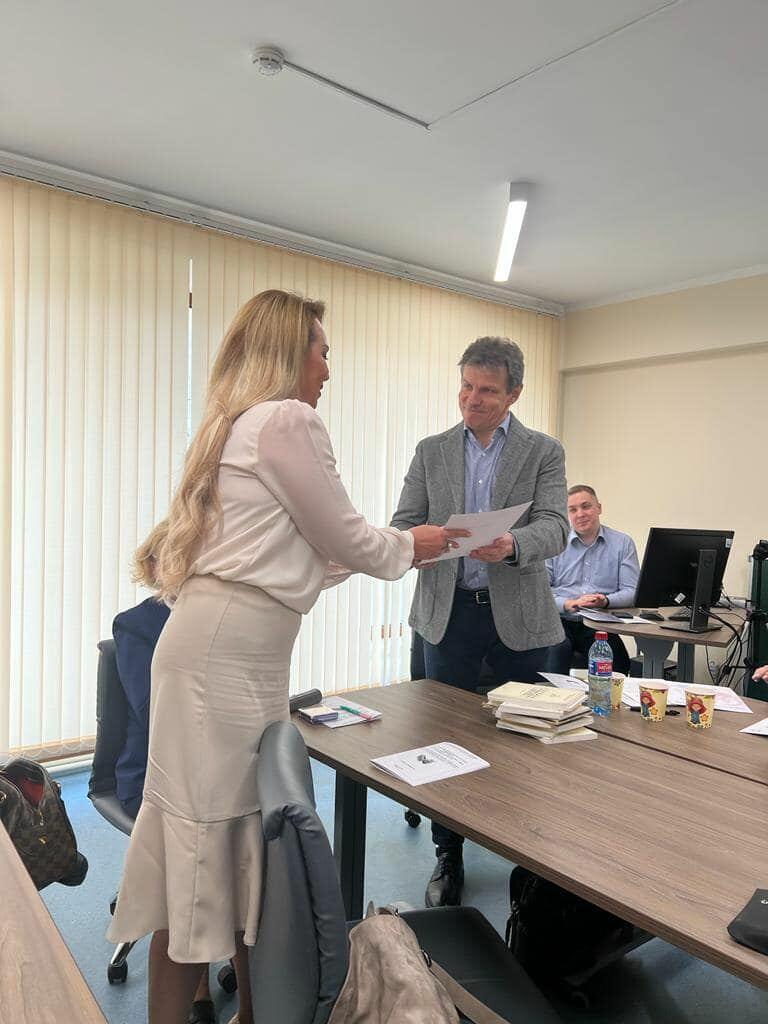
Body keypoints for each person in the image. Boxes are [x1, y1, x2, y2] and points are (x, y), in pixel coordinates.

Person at [107, 289, 457, 1024]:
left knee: (235, 857)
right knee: (206, 864)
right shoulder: (287, 419)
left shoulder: (241, 425)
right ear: (289, 351)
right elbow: (350, 537)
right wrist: (417, 543)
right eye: (322, 351)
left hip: (226, 653)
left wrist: (400, 550)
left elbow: (307, 555)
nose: (329, 368)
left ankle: (251, 1012)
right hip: (223, 664)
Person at [391, 335, 568, 908]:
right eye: (466, 386)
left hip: (518, 617)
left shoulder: (543, 452)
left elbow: (556, 527)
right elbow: (404, 522)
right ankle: (449, 852)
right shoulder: (432, 450)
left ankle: (526, 855)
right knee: (445, 740)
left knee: (521, 739)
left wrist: (513, 543)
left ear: (514, 394)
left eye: (487, 390)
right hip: (449, 615)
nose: (472, 398)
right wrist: (424, 543)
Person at [545, 485, 639, 676]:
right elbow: (539, 593)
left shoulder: (622, 543)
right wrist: (569, 604)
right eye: (573, 510)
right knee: (555, 654)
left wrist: (605, 600)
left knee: (619, 665)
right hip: (559, 620)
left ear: (599, 508)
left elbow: (632, 591)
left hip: (598, 622)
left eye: (586, 506)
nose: (580, 514)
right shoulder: (554, 543)